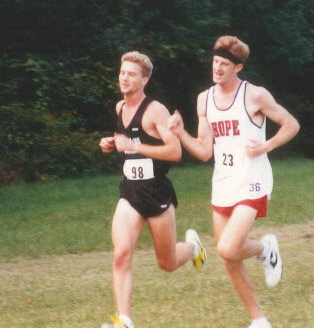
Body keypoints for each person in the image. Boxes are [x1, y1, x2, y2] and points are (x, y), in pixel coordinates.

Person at [168, 36, 300, 328]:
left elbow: (292, 124)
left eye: (224, 64)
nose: (217, 68)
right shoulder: (205, 99)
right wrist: (179, 132)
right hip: (224, 182)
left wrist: (265, 146)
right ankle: (259, 320)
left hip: (252, 180)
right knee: (229, 259)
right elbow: (204, 150)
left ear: (237, 67)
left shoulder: (254, 95)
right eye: (215, 62)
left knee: (228, 247)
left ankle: (266, 249)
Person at [99, 51, 206, 328]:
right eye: (122, 72)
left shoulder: (156, 110)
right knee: (121, 253)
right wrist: (111, 142)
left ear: (144, 79)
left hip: (157, 193)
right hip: (130, 193)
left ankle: (193, 247)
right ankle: (124, 320)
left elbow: (174, 151)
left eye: (131, 74)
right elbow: (129, 138)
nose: (125, 78)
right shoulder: (119, 108)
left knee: (167, 263)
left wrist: (132, 146)